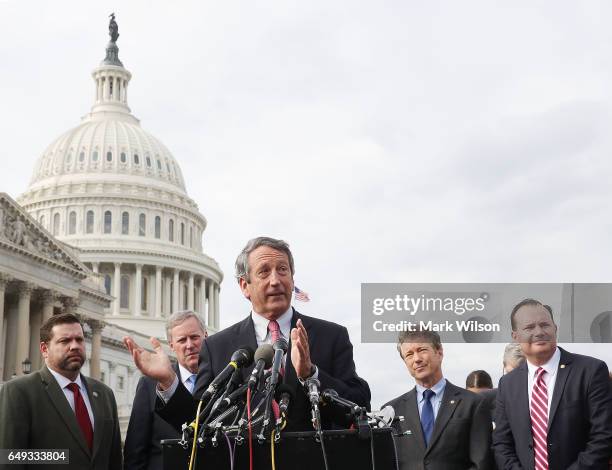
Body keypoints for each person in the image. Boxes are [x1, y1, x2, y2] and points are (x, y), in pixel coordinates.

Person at [124, 236, 370, 432]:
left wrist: (311, 374)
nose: (275, 280)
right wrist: (169, 383)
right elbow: (197, 420)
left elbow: (359, 405)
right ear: (244, 286)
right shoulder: (218, 347)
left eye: (282, 270)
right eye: (264, 272)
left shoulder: (331, 336)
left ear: (292, 278)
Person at [493, 298, 612, 469]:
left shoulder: (590, 371)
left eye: (545, 325)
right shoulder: (508, 384)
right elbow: (502, 443)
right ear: (515, 336)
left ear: (555, 328)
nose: (539, 332)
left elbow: (604, 436)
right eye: (529, 327)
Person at [0, 313, 122, 470]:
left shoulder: (104, 394)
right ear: (44, 349)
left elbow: (114, 459)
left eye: (79, 340)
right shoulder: (19, 391)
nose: (75, 346)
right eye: (65, 341)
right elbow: (11, 459)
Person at [384, 329, 494, 470]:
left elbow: (481, 463)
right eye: (409, 355)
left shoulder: (473, 404)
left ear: (439, 352)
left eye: (422, 350)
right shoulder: (391, 411)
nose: (416, 359)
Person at [124, 310, 207, 470]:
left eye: (194, 337)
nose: (189, 345)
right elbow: (135, 451)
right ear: (171, 346)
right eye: (182, 340)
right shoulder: (149, 386)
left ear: (206, 336)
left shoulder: (225, 380)